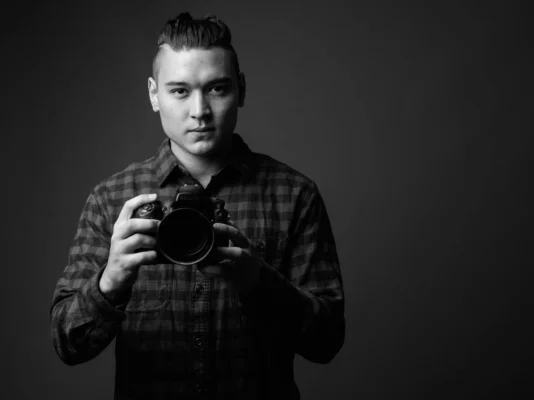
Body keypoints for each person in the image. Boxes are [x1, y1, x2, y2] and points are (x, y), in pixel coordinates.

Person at [50, 12, 345, 400]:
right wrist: (112, 280)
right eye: (179, 91)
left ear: (240, 89)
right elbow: (69, 345)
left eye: (217, 88)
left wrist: (259, 281)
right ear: (154, 94)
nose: (200, 111)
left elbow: (326, 342)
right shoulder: (112, 200)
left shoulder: (294, 195)